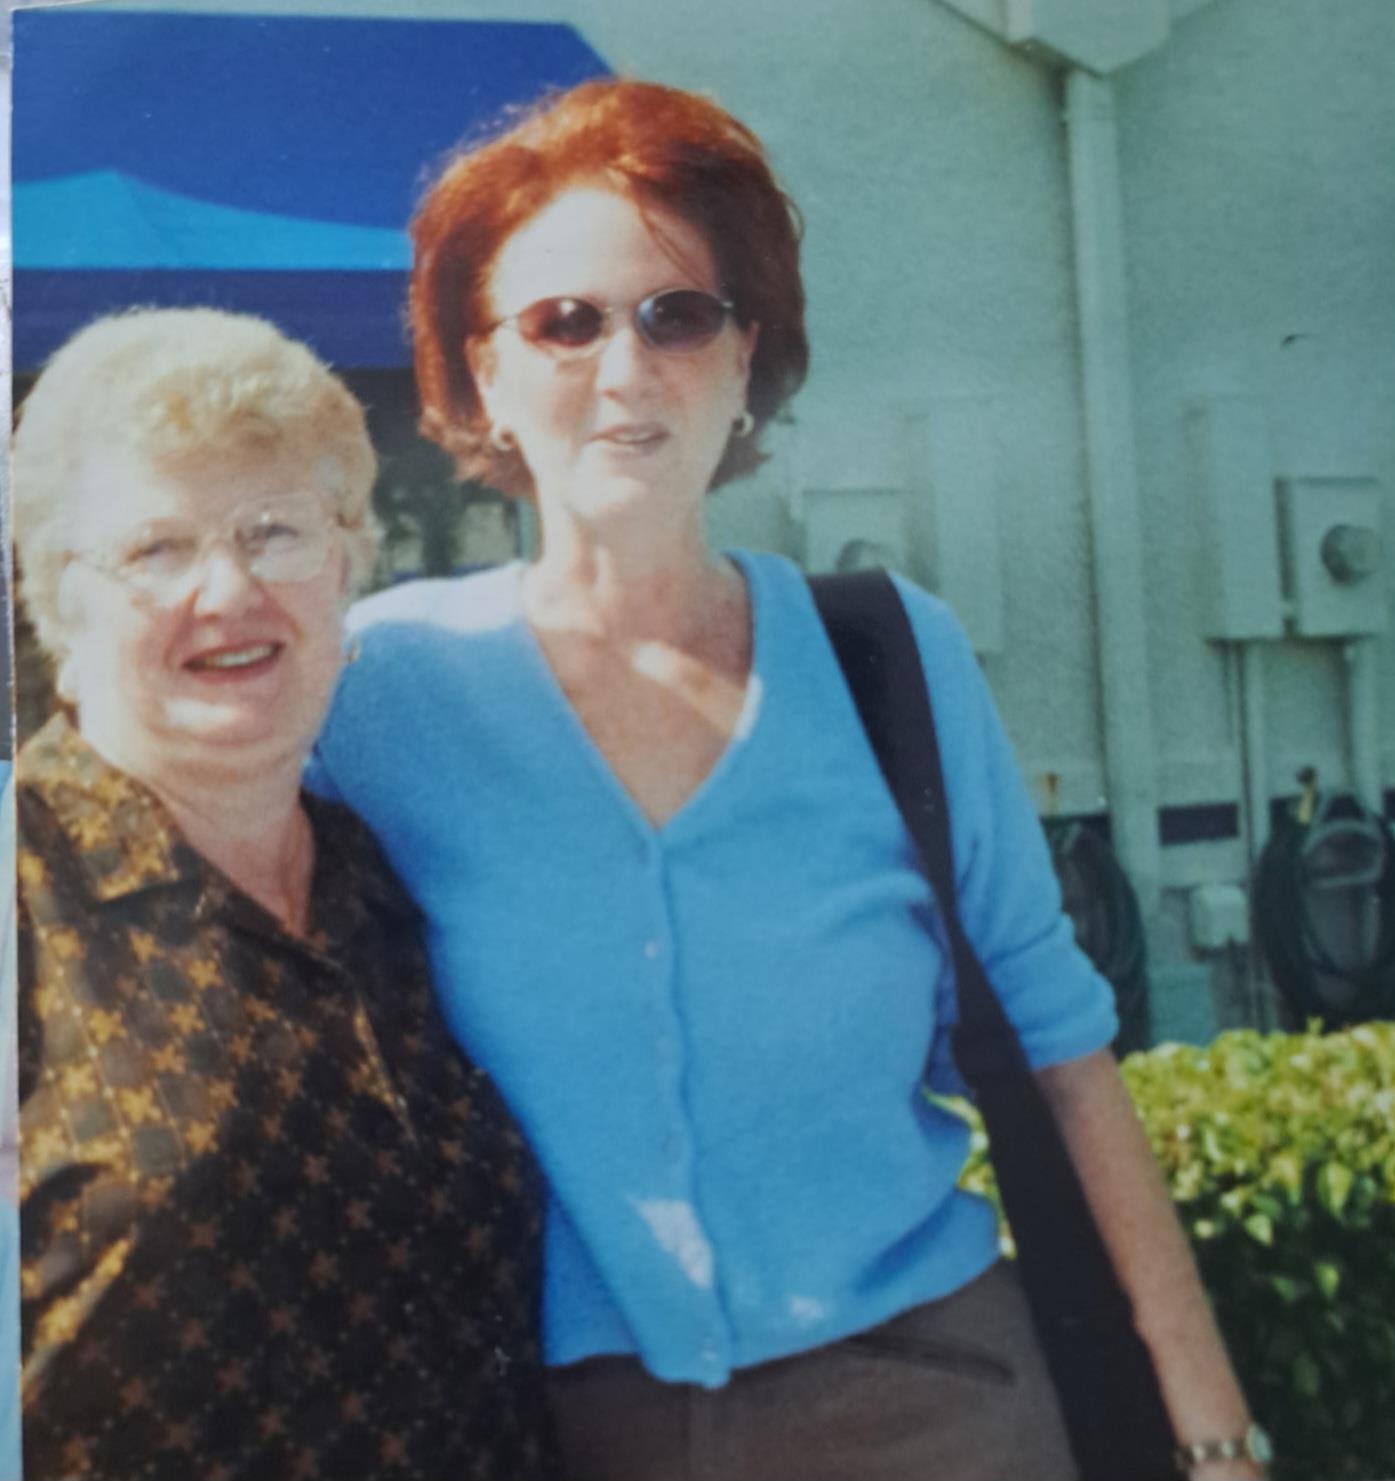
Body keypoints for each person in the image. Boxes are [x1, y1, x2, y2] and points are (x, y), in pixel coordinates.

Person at [311, 80, 1265, 1480]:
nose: (622, 369)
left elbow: (1061, 1056)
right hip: (560, 1434)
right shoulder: (374, 689)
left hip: (929, 1404)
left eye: (675, 314)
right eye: (561, 322)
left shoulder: (887, 656)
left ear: (745, 362)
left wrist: (1212, 1431)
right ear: (481, 377)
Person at [10, 308, 558, 1481]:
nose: (228, 589)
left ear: (350, 561)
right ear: (61, 600)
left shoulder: (381, 872)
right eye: (155, 549)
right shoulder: (22, 885)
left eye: (276, 531)